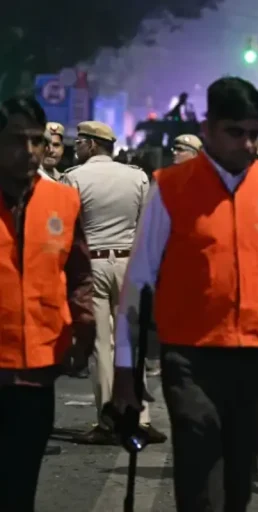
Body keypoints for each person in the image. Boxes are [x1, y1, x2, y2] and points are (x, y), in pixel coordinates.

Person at [111, 76, 258, 512]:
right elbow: (138, 283)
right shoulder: (170, 187)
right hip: (190, 355)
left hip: (255, 353)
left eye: (254, 133)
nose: (247, 144)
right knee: (199, 446)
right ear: (208, 128)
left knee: (240, 470)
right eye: (235, 132)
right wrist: (125, 374)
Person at [0, 96, 96, 511]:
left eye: (37, 141)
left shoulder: (64, 201)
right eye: (17, 140)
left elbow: (79, 274)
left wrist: (85, 329)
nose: (30, 150)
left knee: (20, 487)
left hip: (38, 370)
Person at [61, 121, 164, 445]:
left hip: (91, 264)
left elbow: (68, 227)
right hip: (129, 263)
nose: (74, 146)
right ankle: (141, 419)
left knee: (100, 346)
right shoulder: (136, 176)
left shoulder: (74, 177)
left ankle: (108, 420)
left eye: (79, 141)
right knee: (131, 344)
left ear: (92, 145)